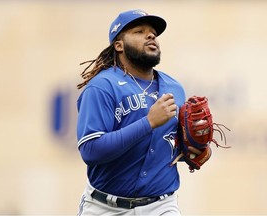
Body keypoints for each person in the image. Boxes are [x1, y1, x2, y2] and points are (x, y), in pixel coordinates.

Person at [76, 9, 186, 216]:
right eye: (139, 31)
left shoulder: (175, 88)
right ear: (119, 45)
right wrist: (148, 123)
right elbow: (91, 150)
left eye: (153, 32)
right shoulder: (101, 87)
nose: (151, 35)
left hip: (161, 205)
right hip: (106, 207)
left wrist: (193, 152)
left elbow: (167, 146)